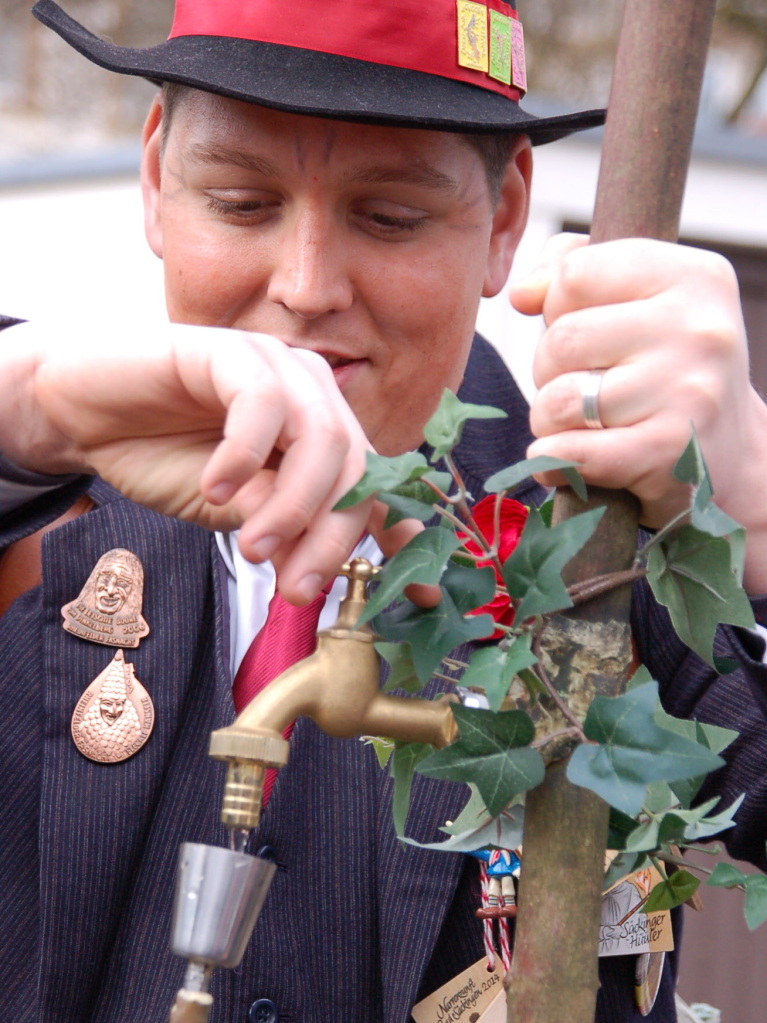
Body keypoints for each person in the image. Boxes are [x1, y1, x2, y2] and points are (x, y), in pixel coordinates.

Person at [1, 2, 767, 1021]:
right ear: (154, 179)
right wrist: (24, 409)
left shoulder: (612, 530)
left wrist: (755, 518)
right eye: (238, 201)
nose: (304, 286)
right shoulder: (40, 472)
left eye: (389, 217)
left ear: (501, 222)